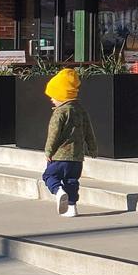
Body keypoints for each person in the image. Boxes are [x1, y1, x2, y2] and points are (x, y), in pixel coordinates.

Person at [41, 67, 96, 218]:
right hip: (77, 157)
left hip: (59, 156)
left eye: (53, 96)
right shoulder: (81, 110)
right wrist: (92, 148)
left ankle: (58, 192)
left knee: (49, 176)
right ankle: (72, 208)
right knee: (72, 181)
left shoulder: (59, 112)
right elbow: (89, 131)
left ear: (61, 95)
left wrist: (48, 151)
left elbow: (53, 134)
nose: (51, 99)